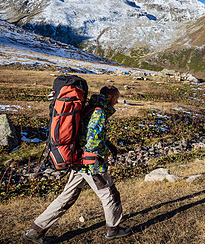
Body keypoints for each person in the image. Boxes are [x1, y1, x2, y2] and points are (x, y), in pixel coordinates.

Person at [22, 86, 132, 243]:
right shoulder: (99, 112)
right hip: (90, 164)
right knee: (110, 195)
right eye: (116, 98)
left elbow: (86, 132)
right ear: (109, 97)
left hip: (79, 161)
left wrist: (108, 144)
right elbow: (94, 139)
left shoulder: (89, 108)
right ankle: (113, 230)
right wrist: (102, 153)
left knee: (66, 197)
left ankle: (35, 231)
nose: (117, 101)